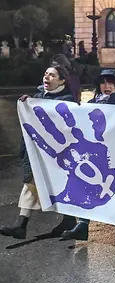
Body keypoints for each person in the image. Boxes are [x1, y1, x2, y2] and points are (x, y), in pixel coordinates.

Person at [0, 66, 79, 240]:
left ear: (62, 80)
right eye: (45, 74)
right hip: (38, 151)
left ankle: (68, 220)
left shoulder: (66, 100)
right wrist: (28, 103)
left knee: (60, 185)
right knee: (31, 183)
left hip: (58, 154)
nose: (47, 77)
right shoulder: (37, 97)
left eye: (52, 75)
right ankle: (21, 225)